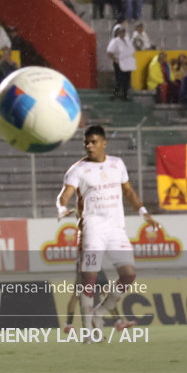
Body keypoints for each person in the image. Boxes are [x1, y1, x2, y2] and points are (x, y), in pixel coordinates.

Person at [56, 125, 158, 343]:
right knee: (88, 281)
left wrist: (143, 212)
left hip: (115, 229)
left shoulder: (117, 164)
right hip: (92, 230)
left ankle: (100, 313)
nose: (89, 146)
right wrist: (61, 208)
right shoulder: (77, 169)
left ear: (104, 143)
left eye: (93, 142)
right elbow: (64, 196)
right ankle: (88, 333)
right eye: (86, 142)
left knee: (129, 275)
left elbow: (128, 191)